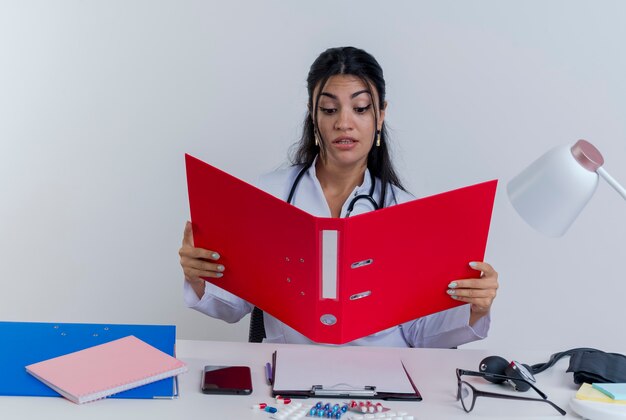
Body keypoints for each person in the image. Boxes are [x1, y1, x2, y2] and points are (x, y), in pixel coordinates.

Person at [179, 46, 498, 348]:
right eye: (330, 109)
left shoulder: (408, 211)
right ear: (313, 115)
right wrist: (199, 276)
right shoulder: (266, 197)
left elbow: (421, 334)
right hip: (291, 377)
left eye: (360, 109)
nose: (344, 122)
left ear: (381, 115)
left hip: (384, 381)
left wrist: (476, 308)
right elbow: (234, 304)